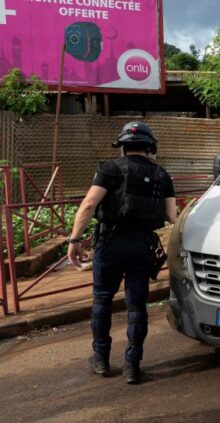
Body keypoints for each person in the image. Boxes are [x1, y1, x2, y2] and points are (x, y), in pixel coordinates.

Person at [67, 122, 177, 384]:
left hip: (110, 243)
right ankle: (132, 365)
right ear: (150, 148)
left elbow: (89, 205)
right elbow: (172, 216)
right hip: (142, 245)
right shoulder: (162, 175)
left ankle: (101, 360)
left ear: (123, 147)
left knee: (102, 300)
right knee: (137, 305)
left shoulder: (109, 169)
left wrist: (74, 240)